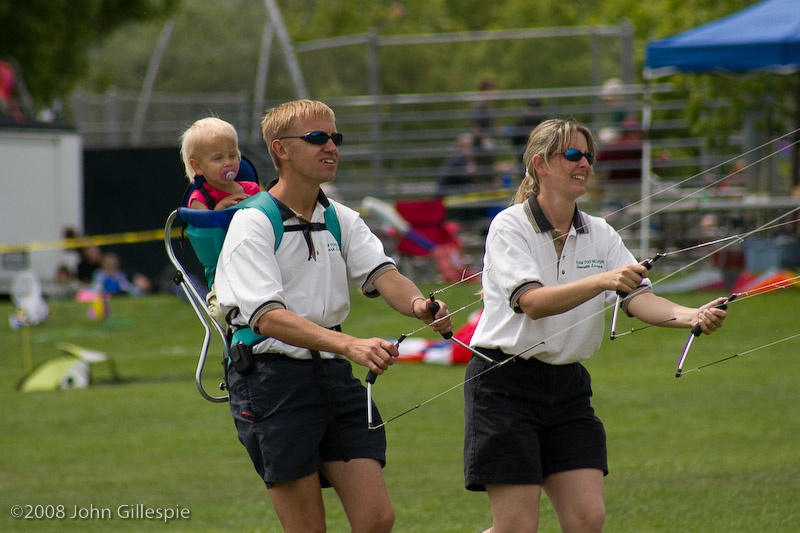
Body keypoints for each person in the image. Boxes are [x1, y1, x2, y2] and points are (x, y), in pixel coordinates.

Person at [463, 118, 729, 532]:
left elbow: (639, 298)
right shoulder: (508, 226)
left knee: (587, 518)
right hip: (503, 385)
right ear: (541, 164)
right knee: (516, 527)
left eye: (588, 155)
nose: (584, 163)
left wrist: (690, 316)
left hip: (567, 388)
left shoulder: (600, 232)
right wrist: (604, 280)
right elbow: (532, 303)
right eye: (573, 154)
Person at [214, 99, 453, 532]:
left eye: (335, 137)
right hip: (271, 382)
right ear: (281, 150)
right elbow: (267, 318)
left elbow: (384, 274)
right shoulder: (251, 223)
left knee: (377, 519)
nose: (331, 146)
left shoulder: (340, 218)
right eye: (317, 138)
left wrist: (421, 306)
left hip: (333, 376)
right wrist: (350, 344)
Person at [179, 117, 260, 210]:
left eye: (233, 155)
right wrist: (220, 208)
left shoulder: (252, 189)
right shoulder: (199, 200)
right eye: (218, 158)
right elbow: (205, 224)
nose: (228, 163)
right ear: (197, 167)